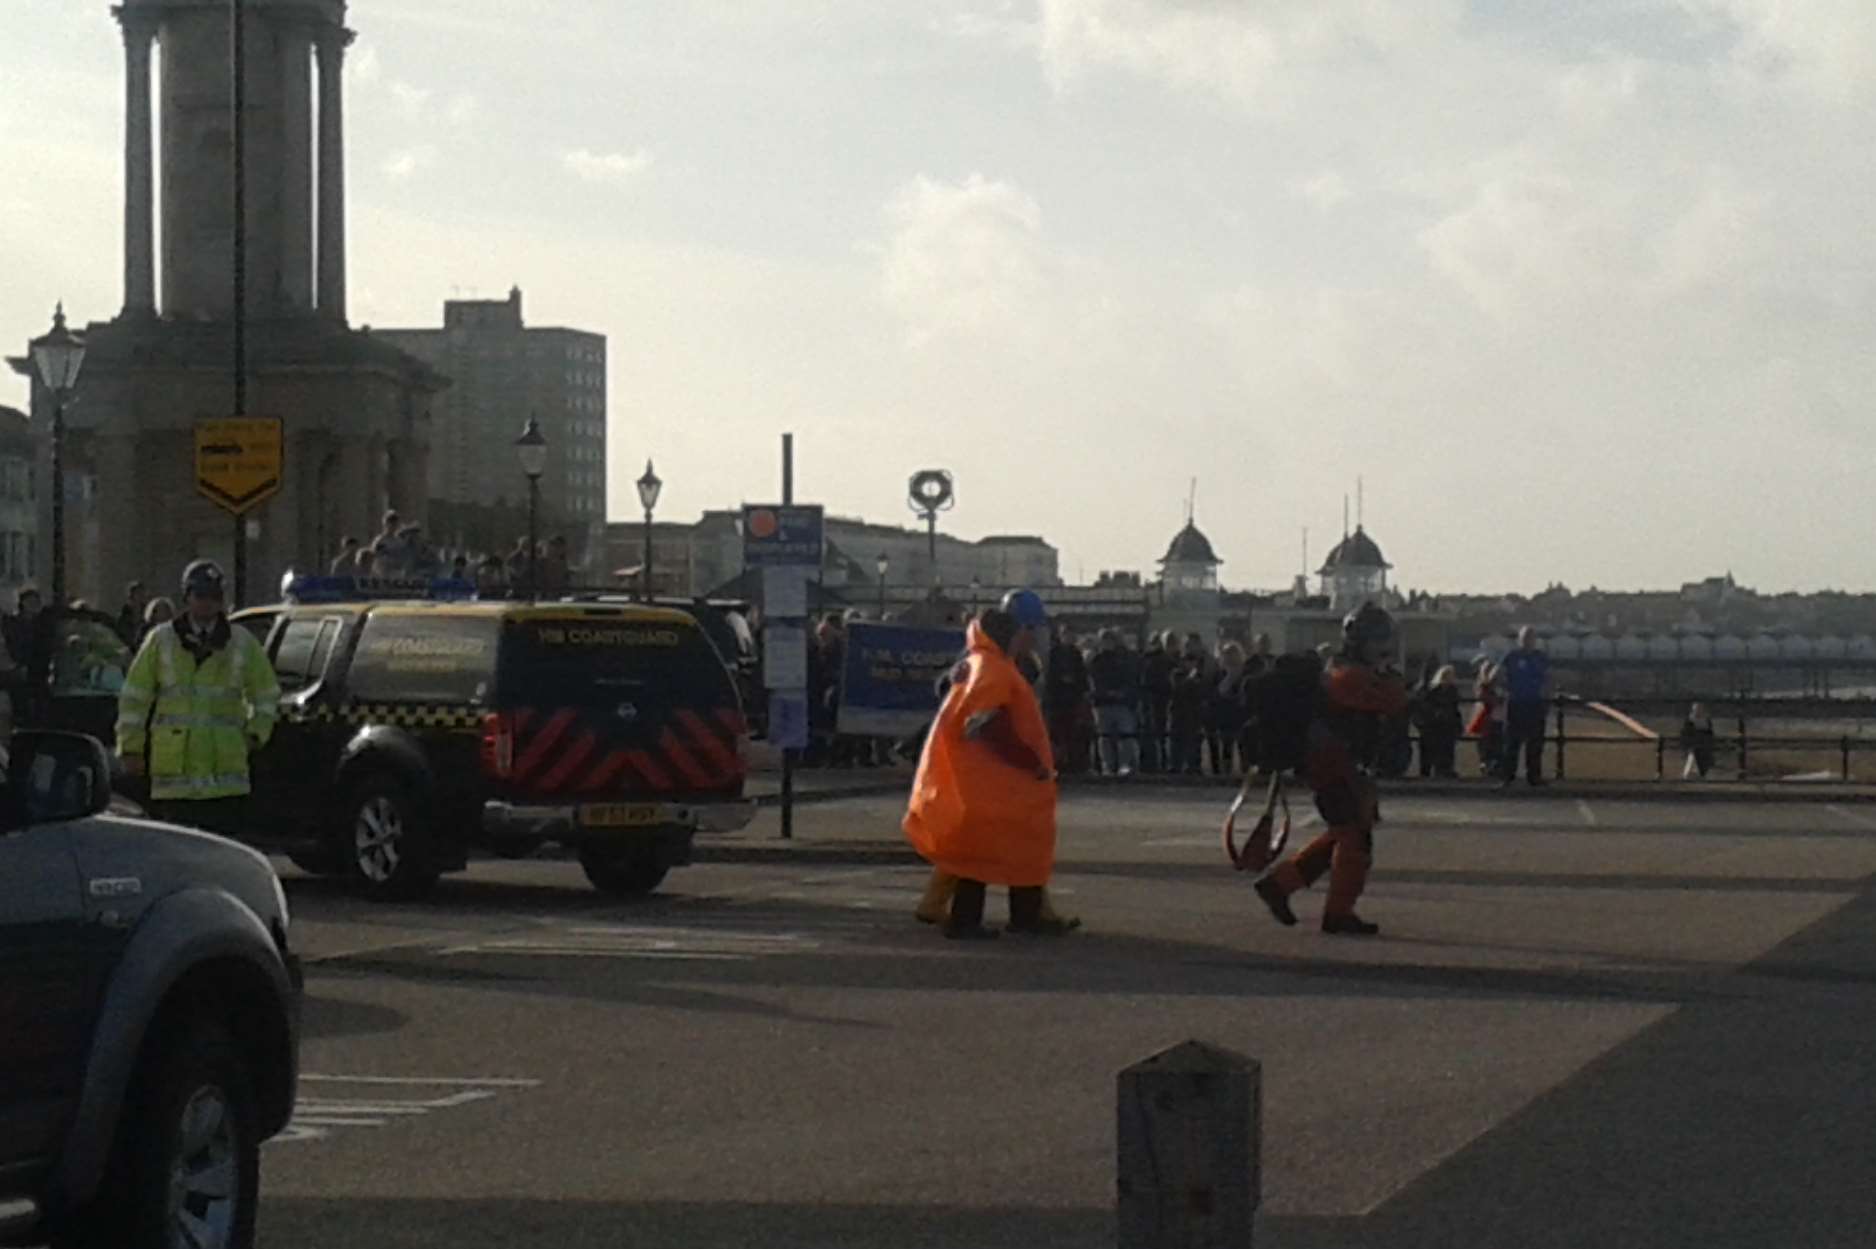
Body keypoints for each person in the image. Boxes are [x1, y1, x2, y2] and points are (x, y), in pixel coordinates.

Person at [904, 599, 1072, 939]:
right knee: (1019, 846)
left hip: (982, 778)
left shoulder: (979, 664)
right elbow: (986, 723)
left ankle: (978, 918)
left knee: (980, 851)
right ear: (1007, 636)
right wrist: (1031, 761)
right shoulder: (993, 669)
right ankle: (1015, 918)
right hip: (1000, 779)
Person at [1252, 602, 1408, 936]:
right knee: (1355, 839)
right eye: (1378, 640)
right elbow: (1389, 700)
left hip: (1341, 765)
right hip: (1331, 766)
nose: (1385, 647)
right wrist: (1396, 684)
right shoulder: (1347, 674)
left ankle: (1280, 885)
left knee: (1344, 834)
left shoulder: (1349, 671)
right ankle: (1337, 913)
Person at [115, 560, 280, 833]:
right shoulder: (162, 640)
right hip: (175, 778)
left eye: (214, 597)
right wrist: (131, 748)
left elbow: (266, 693)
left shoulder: (240, 641)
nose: (207, 603)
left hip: (225, 778)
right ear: (187, 597)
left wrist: (255, 733)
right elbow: (134, 698)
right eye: (200, 595)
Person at [1498, 626, 1552, 788]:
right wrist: (1506, 689)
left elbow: (1549, 678)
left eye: (1531, 637)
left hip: (1535, 704)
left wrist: (1546, 698)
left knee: (1535, 743)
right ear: (1519, 639)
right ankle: (1507, 777)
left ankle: (1534, 776)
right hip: (1516, 703)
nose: (1528, 640)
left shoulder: (1540, 657)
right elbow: (1498, 674)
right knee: (1511, 742)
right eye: (1525, 637)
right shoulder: (1512, 656)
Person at [1087, 629, 1141, 777]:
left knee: (1126, 736)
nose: (1107, 643)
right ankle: (1107, 767)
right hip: (1102, 703)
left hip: (1122, 703)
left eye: (1110, 640)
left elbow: (1130, 677)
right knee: (1104, 737)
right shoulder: (1096, 660)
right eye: (1105, 640)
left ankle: (1125, 765)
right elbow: (1094, 680)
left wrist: (1122, 692)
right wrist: (1104, 692)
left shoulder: (1123, 658)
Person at [1043, 623, 1092, 776]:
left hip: (1072, 701)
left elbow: (1082, 677)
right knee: (1058, 734)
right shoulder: (1054, 653)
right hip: (1058, 701)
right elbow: (1049, 677)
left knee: (1073, 734)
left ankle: (1074, 764)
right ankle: (1059, 764)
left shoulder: (1076, 654)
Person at [1207, 642, 1250, 776]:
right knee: (1226, 746)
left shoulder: (1246, 673)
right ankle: (1225, 773)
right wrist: (1228, 679)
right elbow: (1215, 693)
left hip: (1241, 715)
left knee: (1244, 746)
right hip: (1224, 715)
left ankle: (1246, 772)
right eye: (1227, 655)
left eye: (1233, 654)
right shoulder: (1218, 674)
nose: (1230, 658)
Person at [1417, 665, 1462, 778]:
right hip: (1433, 724)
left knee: (1447, 748)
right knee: (1430, 749)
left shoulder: (1453, 691)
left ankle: (1445, 770)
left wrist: (1458, 724)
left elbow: (1455, 708)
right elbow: (1425, 707)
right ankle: (1427, 772)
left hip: (1448, 724)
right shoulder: (1432, 691)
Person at [1680, 702, 1717, 779]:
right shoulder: (1690, 720)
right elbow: (1686, 732)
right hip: (1693, 743)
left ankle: (1701, 774)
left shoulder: (1706, 719)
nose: (1698, 711)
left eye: (1700, 709)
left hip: (1704, 744)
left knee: (1704, 760)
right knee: (1692, 757)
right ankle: (1687, 775)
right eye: (1696, 709)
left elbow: (1710, 733)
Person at [115, 581, 148, 646]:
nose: (141, 596)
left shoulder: (148, 615)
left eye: (142, 593)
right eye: (138, 593)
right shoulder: (122, 618)